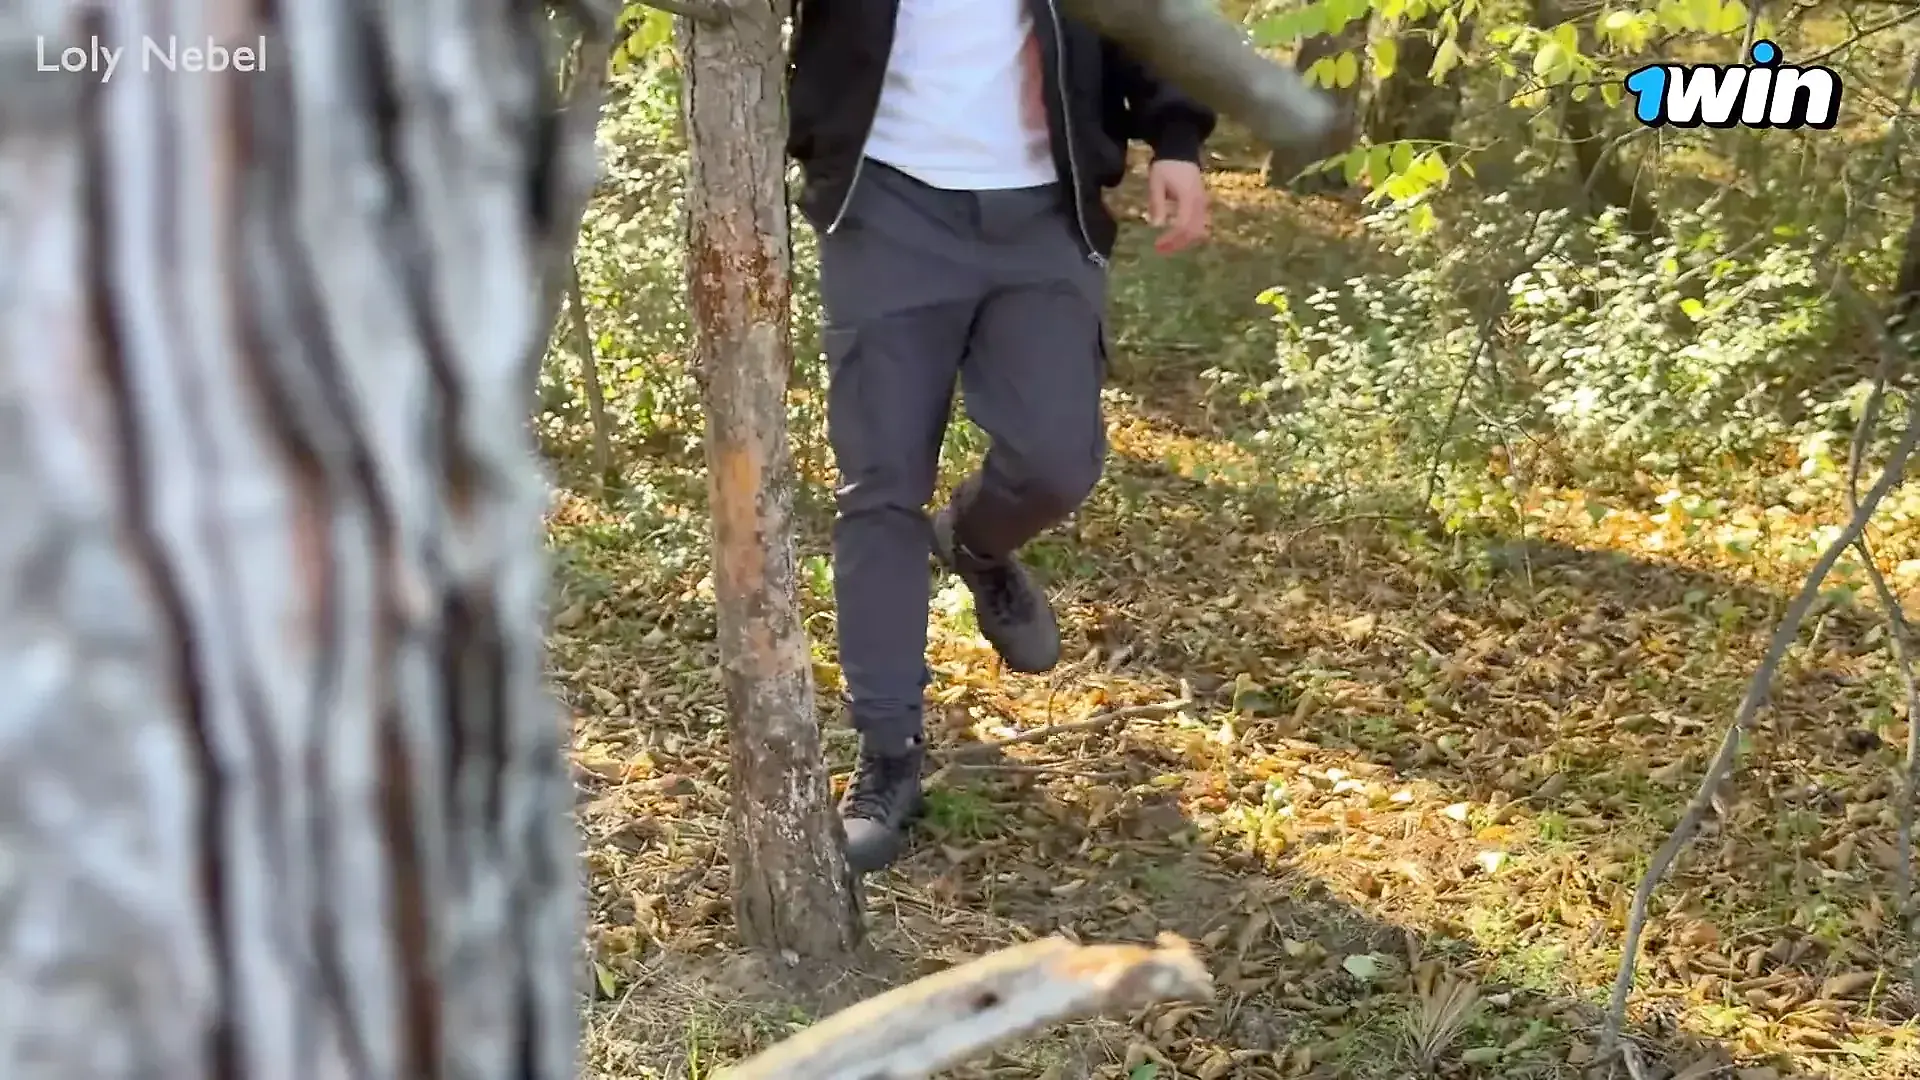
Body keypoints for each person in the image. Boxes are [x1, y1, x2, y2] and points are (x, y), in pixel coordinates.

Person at [787, 0, 1216, 873]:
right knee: (880, 487)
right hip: (883, 201)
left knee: (1056, 460)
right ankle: (889, 754)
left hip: (1046, 209)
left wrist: (1176, 137)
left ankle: (977, 544)